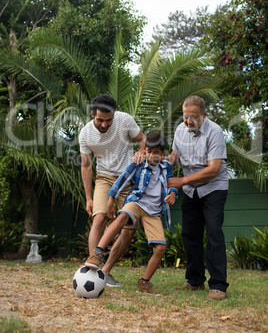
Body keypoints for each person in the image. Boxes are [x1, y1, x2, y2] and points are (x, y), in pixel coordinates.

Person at [86, 133, 177, 295]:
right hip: (137, 202)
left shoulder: (166, 166)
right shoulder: (138, 164)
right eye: (149, 151)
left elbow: (171, 183)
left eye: (156, 153)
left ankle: (144, 283)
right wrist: (110, 202)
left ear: (162, 154)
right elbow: (121, 180)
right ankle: (97, 253)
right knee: (123, 217)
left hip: (154, 211)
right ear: (145, 150)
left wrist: (173, 193)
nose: (151, 156)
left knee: (161, 248)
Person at [79, 94, 145, 286]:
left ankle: (106, 271)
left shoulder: (124, 120)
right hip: (104, 178)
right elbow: (86, 166)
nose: (104, 125)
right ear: (92, 114)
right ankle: (93, 269)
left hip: (128, 178)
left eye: (109, 120)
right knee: (99, 217)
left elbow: (143, 140)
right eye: (100, 120)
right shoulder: (85, 134)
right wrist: (89, 198)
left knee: (130, 228)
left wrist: (141, 151)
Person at [167, 95, 229, 300]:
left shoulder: (215, 132)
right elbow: (175, 158)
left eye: (193, 117)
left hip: (213, 188)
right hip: (191, 190)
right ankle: (195, 281)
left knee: (213, 232)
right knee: (190, 234)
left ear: (204, 115)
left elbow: (213, 169)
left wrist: (181, 181)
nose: (188, 121)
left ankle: (218, 285)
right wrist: (159, 158)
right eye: (185, 116)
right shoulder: (180, 130)